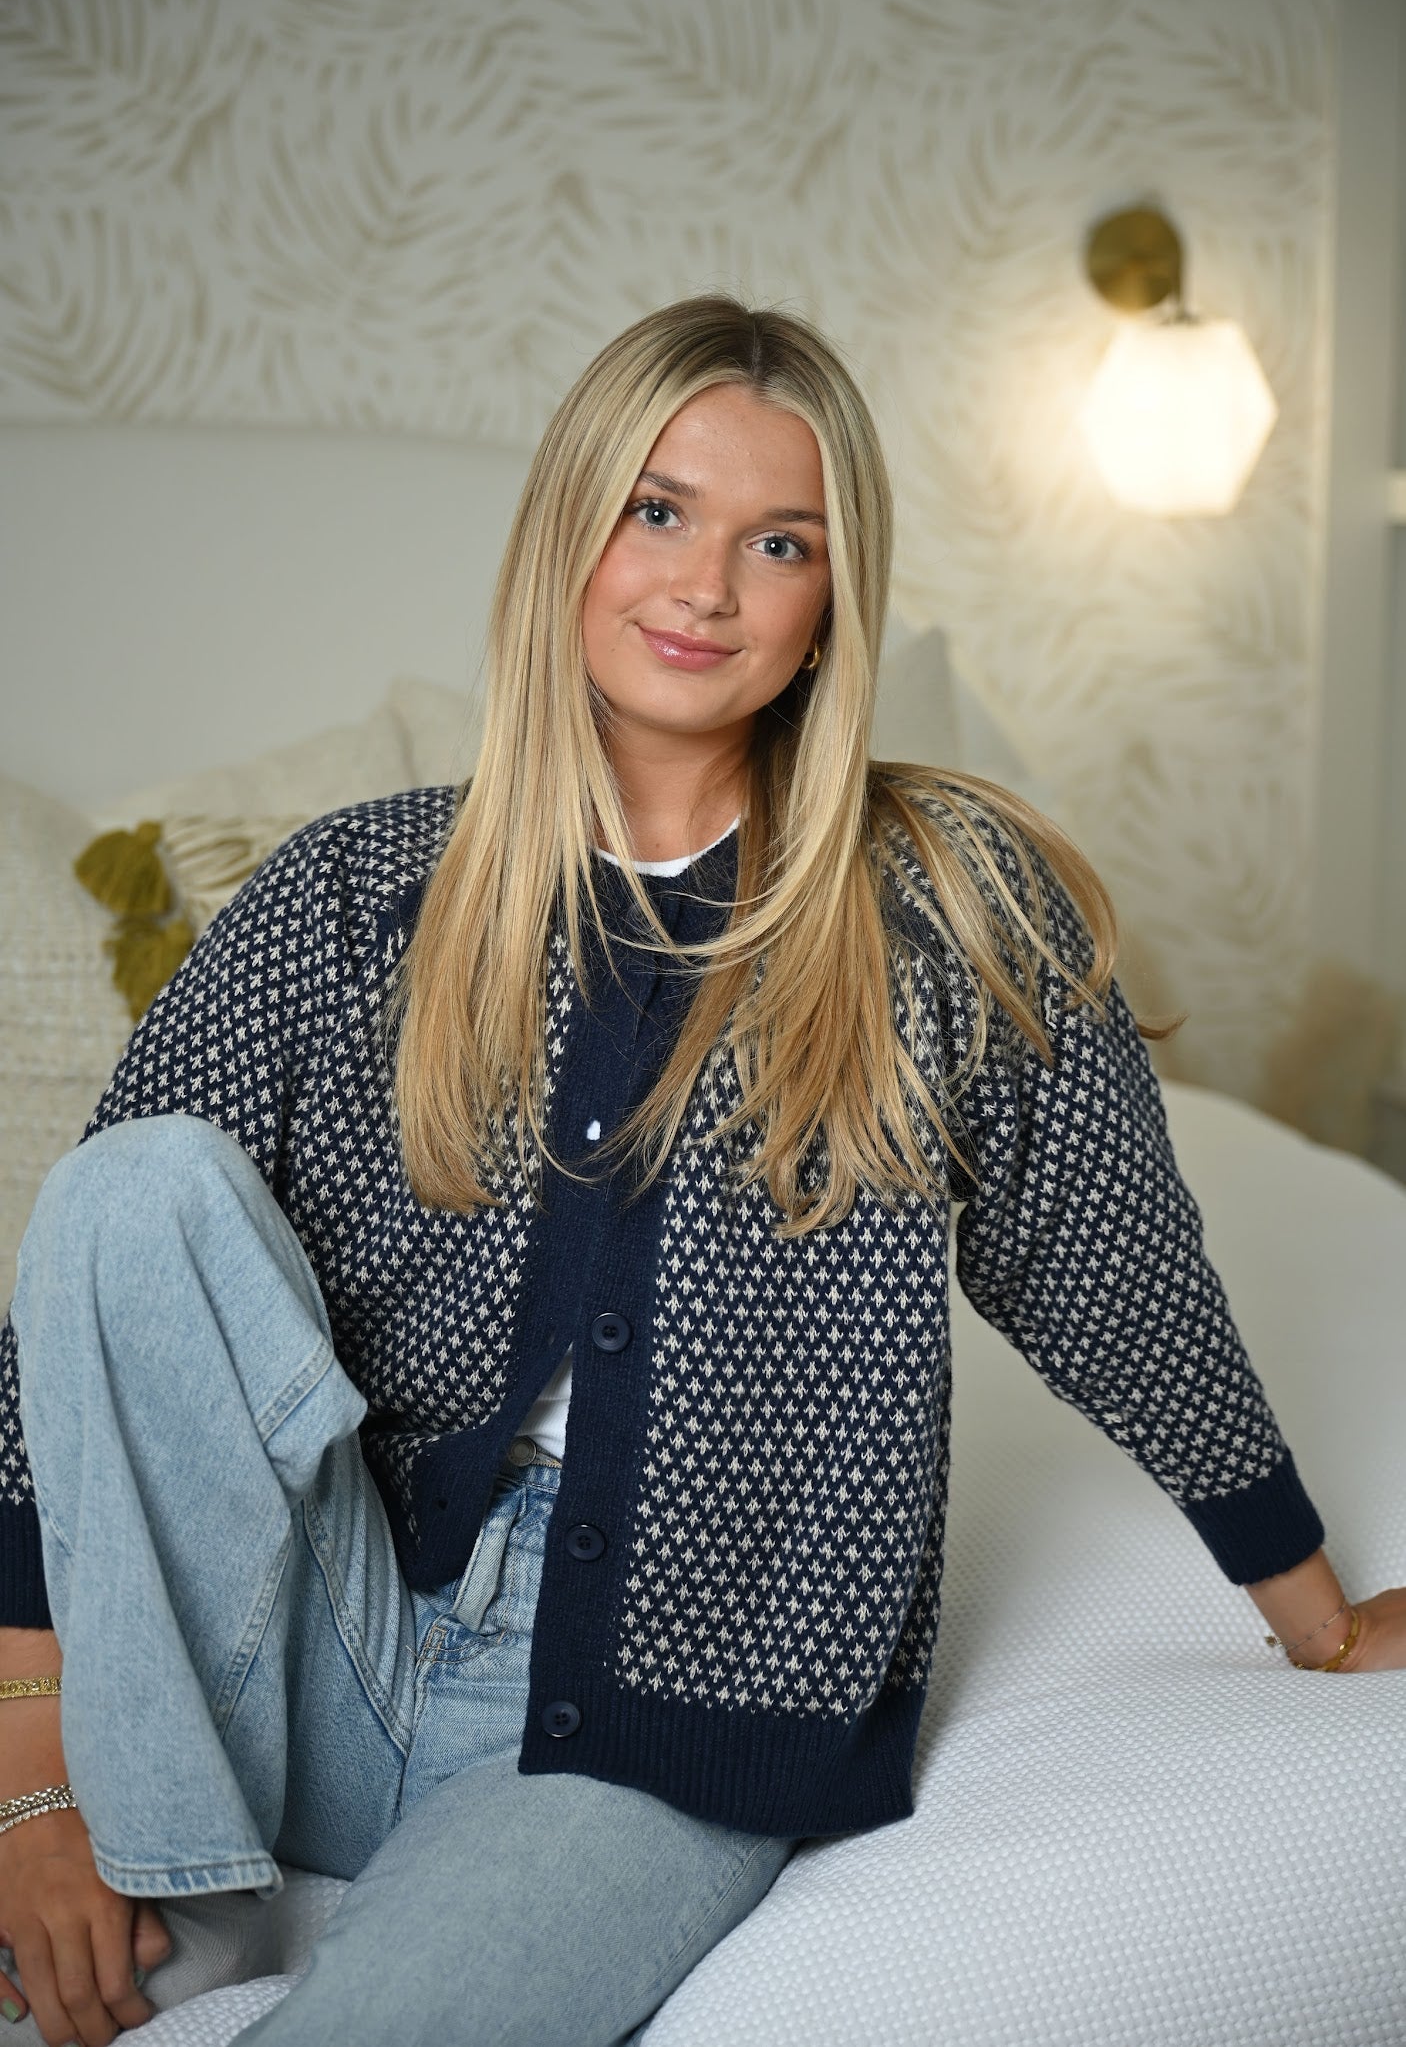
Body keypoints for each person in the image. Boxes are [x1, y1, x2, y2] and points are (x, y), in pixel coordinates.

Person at [0, 296, 1401, 2047]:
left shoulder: (947, 905)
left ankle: (205, 1908)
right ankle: (174, 1861)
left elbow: (1110, 1262)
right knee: (127, 1188)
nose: (707, 587)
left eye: (779, 542)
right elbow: (77, 1340)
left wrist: (1308, 1611)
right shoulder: (347, 895)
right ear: (568, 537)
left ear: (829, 607)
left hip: (678, 1701)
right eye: (658, 511)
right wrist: (34, 1776)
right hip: (323, 1643)